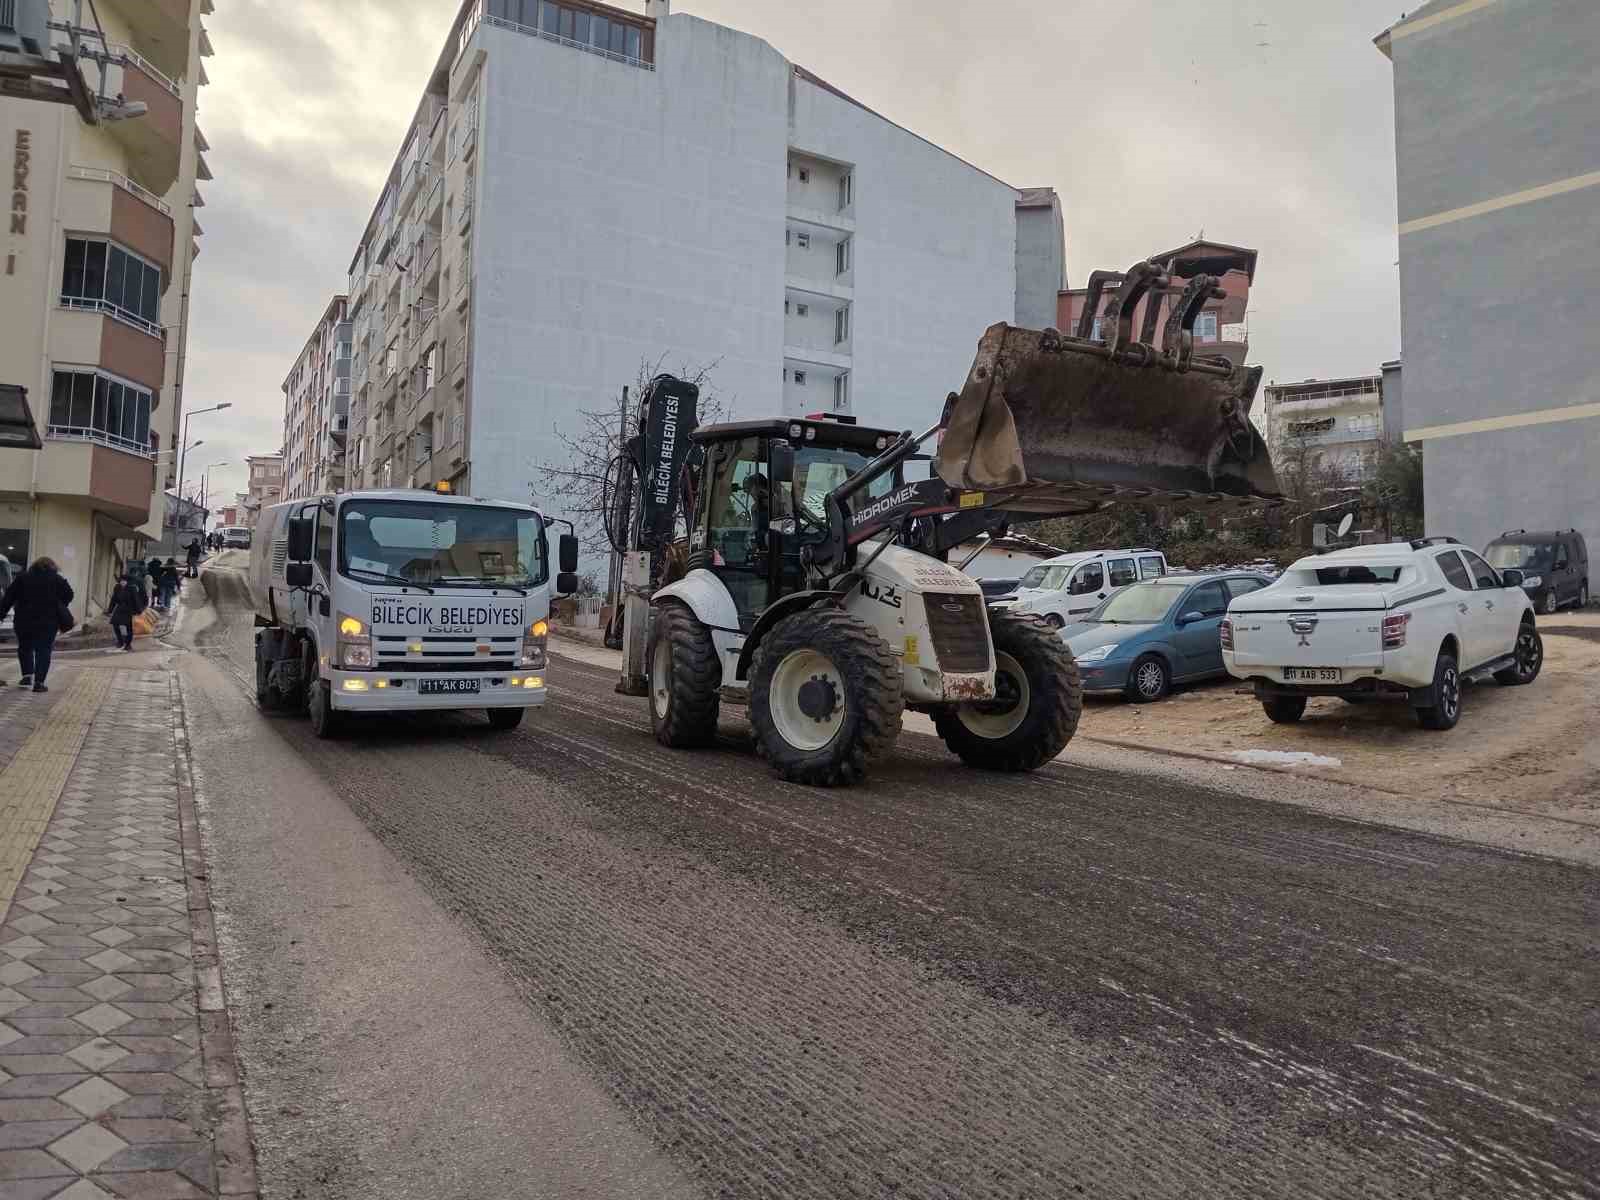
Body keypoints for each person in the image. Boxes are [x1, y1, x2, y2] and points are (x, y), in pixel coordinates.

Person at [0, 556, 74, 693]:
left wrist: (2, 614)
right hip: (48, 622)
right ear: (52, 566)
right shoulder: (57, 579)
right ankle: (39, 683)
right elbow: (69, 594)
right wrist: (57, 602)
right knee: (44, 650)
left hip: (24, 621)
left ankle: (27, 676)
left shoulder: (23, 578)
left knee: (25, 647)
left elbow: (9, 597)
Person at [108, 572, 143, 652]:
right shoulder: (117, 587)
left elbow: (136, 600)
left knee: (128, 628)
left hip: (129, 610)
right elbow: (114, 599)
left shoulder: (132, 588)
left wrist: (138, 611)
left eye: (124, 581)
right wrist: (110, 610)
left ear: (127, 581)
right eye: (121, 580)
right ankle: (120, 641)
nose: (122, 582)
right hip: (119, 609)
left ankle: (128, 644)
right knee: (115, 624)